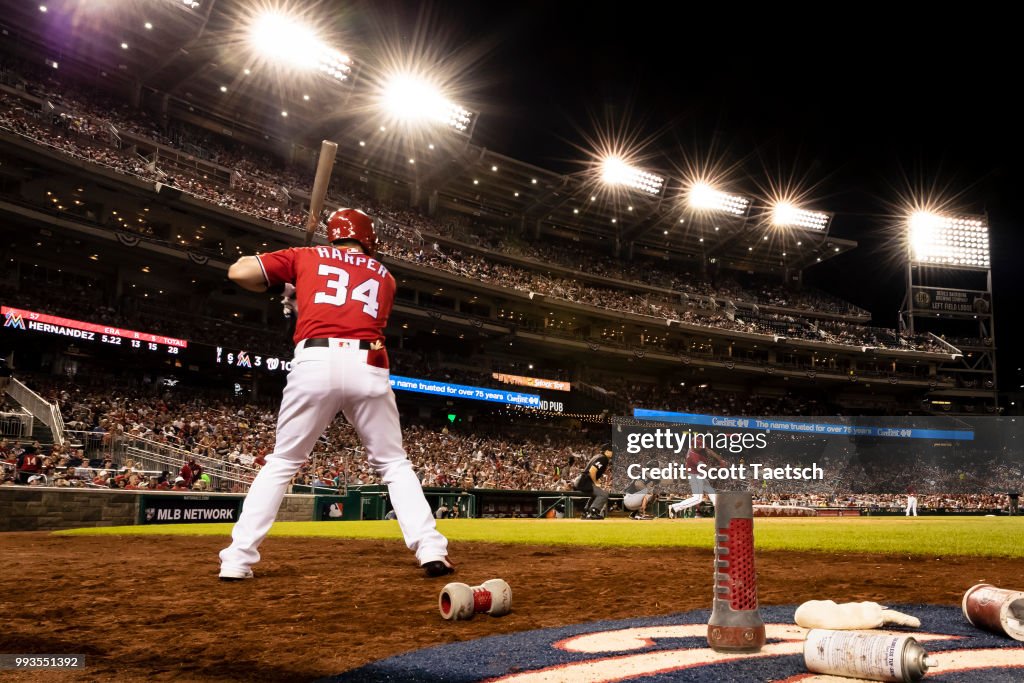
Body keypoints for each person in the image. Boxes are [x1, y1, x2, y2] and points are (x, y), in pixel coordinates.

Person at [218, 208, 452, 580]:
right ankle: (430, 548)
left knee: (283, 462)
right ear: (368, 239)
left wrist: (286, 287)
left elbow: (239, 271)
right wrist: (298, 292)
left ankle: (237, 559)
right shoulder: (386, 277)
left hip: (315, 360)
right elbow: (350, 306)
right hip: (370, 363)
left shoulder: (305, 255)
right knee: (394, 464)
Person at [668, 445, 727, 518]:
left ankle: (720, 511)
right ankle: (674, 507)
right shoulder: (693, 456)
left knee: (710, 490)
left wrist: (720, 459)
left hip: (699, 475)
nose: (700, 447)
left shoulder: (694, 448)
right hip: (695, 476)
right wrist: (719, 467)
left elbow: (708, 450)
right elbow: (707, 469)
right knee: (698, 498)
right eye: (698, 446)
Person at [573, 443, 613, 519]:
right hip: (584, 482)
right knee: (603, 494)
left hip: (581, 480)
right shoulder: (603, 458)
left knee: (598, 493)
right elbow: (592, 470)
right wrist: (595, 482)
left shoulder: (597, 456)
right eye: (612, 451)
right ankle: (593, 512)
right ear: (607, 451)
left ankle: (586, 512)